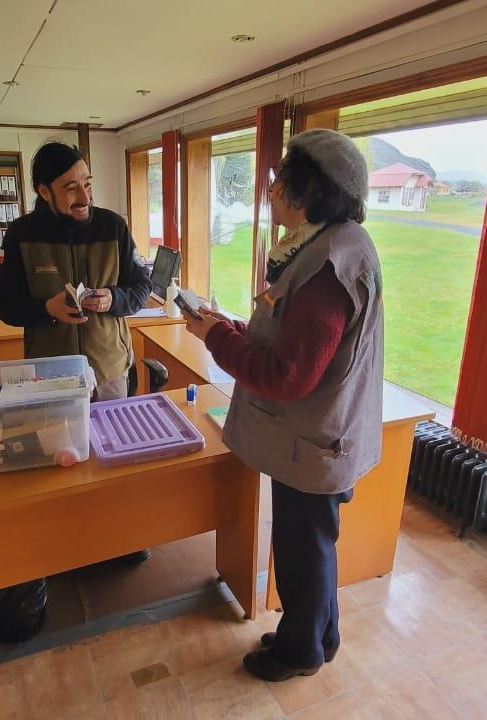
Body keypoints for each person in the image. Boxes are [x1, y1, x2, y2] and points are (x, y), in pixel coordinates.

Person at [185, 129, 384, 681]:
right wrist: (231, 328)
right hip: (317, 436)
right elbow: (290, 339)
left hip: (313, 439)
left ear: (309, 190)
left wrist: (215, 339)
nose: (269, 190)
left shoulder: (327, 265)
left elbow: (289, 375)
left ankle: (299, 651)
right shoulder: (330, 242)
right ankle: (320, 634)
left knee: (302, 550)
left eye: (279, 180)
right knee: (313, 544)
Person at [0, 141, 152, 566]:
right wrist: (45, 309)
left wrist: (113, 299)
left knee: (112, 456)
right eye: (70, 188)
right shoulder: (22, 234)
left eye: (88, 184)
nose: (84, 197)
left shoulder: (113, 226)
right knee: (60, 458)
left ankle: (115, 540)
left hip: (110, 367)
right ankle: (67, 546)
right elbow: (4, 305)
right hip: (50, 372)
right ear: (44, 192)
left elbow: (141, 288)